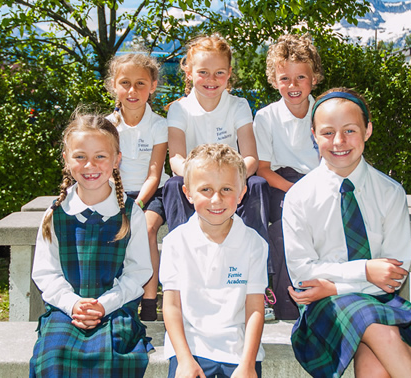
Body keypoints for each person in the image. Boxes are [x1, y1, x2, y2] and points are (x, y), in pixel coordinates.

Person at [282, 88, 411, 377]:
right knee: (384, 335)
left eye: (350, 130)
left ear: (368, 130)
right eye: (327, 132)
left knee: (374, 368)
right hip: (325, 307)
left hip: (377, 301)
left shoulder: (390, 192)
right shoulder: (299, 196)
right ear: (313, 135)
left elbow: (394, 275)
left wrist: (336, 284)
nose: (339, 141)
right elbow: (303, 275)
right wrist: (366, 271)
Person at [29, 113, 153, 377]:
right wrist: (74, 304)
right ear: (66, 159)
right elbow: (46, 273)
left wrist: (103, 305)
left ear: (117, 159)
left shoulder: (130, 214)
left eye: (100, 156)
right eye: (80, 156)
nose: (90, 165)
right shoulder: (55, 214)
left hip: (115, 307)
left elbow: (138, 272)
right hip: (67, 310)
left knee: (111, 360)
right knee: (53, 357)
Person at [160, 143, 268, 378]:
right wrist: (185, 361)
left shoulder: (254, 244)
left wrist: (248, 365)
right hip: (190, 347)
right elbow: (171, 306)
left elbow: (254, 309)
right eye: (206, 189)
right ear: (188, 193)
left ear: (241, 193)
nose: (216, 199)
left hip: (239, 350)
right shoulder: (175, 242)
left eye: (227, 189)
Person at [163, 34, 269, 243]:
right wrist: (203, 181)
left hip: (231, 182)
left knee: (257, 184)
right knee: (174, 185)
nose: (211, 79)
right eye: (203, 72)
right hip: (195, 183)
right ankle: (182, 252)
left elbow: (250, 159)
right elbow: (176, 159)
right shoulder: (179, 109)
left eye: (219, 73)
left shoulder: (238, 106)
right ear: (189, 72)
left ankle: (257, 261)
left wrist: (229, 180)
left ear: (229, 73)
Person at [253, 34, 323, 320]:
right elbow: (263, 169)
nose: (292, 86)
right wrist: (293, 191)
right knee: (283, 229)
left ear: (314, 78)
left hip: (318, 183)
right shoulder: (266, 117)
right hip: (280, 184)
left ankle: (318, 298)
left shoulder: (324, 112)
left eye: (300, 78)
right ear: (274, 80)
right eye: (285, 78)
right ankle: (282, 303)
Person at [104, 53, 169, 321]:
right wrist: (120, 201)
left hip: (151, 193)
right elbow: (108, 169)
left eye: (141, 83)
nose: (133, 91)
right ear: (113, 86)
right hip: (115, 190)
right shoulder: (107, 125)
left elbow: (154, 173)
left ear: (152, 86)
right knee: (112, 229)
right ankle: (114, 297)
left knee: (148, 229)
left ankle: (150, 301)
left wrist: (138, 205)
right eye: (125, 83)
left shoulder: (159, 124)